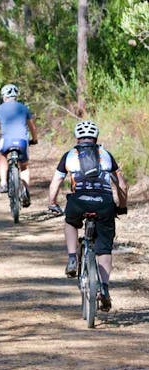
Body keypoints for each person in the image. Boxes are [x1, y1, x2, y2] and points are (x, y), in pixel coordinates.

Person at [48, 120, 128, 312]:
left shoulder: (69, 155)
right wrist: (122, 206)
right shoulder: (106, 155)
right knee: (104, 250)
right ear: (96, 138)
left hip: (79, 201)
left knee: (70, 222)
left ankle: (72, 258)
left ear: (77, 138)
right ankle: (105, 289)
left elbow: (56, 182)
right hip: (104, 203)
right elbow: (123, 185)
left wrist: (52, 202)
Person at [0, 84, 38, 206]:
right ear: (16, 96)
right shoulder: (23, 108)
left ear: (4, 97)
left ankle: (3, 182)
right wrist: (34, 139)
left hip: (6, 141)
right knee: (24, 166)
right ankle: (25, 190)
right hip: (22, 141)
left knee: (3, 155)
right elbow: (32, 127)